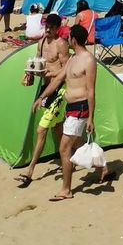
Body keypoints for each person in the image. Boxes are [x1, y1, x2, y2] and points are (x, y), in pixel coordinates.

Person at [33, 23, 107, 201]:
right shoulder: (73, 59)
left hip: (81, 109)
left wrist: (91, 118)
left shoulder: (88, 60)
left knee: (64, 148)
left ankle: (66, 190)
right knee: (77, 142)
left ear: (74, 39)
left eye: (69, 37)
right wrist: (41, 97)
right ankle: (102, 167)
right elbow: (58, 79)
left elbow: (91, 90)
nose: (67, 40)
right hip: (70, 108)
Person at [16, 13, 71, 187]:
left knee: (41, 129)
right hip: (46, 87)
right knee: (56, 127)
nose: (47, 30)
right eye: (46, 27)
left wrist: (50, 73)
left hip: (60, 88)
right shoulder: (40, 43)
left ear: (57, 29)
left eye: (51, 28)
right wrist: (30, 73)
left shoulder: (61, 44)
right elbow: (38, 62)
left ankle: (30, 170)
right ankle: (73, 155)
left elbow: (66, 69)